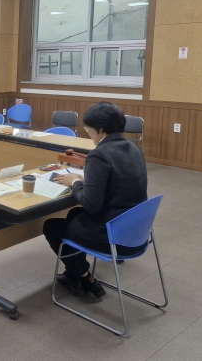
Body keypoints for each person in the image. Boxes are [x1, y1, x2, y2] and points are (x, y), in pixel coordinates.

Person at [43, 102, 148, 299]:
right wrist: (89, 181)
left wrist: (75, 182)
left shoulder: (99, 154)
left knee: (52, 226)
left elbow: (91, 205)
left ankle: (84, 277)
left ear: (100, 129)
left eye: (88, 128)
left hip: (113, 235)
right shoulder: (134, 148)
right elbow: (122, 181)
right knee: (74, 214)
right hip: (136, 231)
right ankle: (73, 275)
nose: (88, 133)